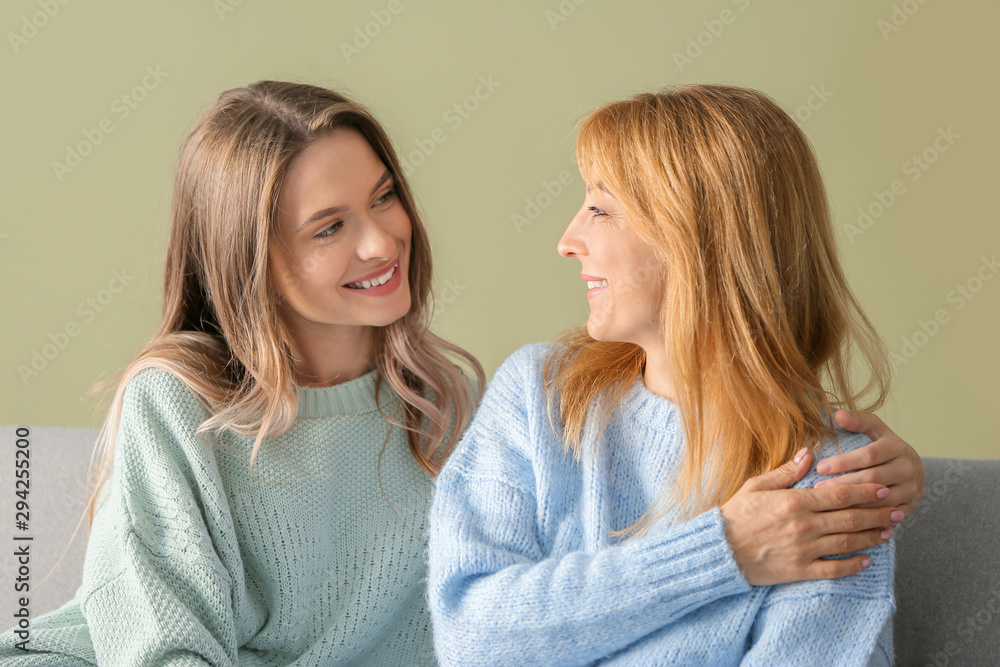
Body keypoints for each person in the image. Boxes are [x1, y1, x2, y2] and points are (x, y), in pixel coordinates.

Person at [1, 81, 920, 665]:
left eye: (386, 195)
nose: (382, 238)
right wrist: (721, 551)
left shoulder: (451, 404)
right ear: (248, 260)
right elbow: (478, 632)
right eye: (329, 227)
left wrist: (859, 469)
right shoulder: (182, 402)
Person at [428, 84, 906, 665]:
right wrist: (721, 551)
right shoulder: (538, 393)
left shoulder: (834, 480)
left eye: (600, 209)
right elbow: (471, 637)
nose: (566, 242)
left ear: (697, 239)